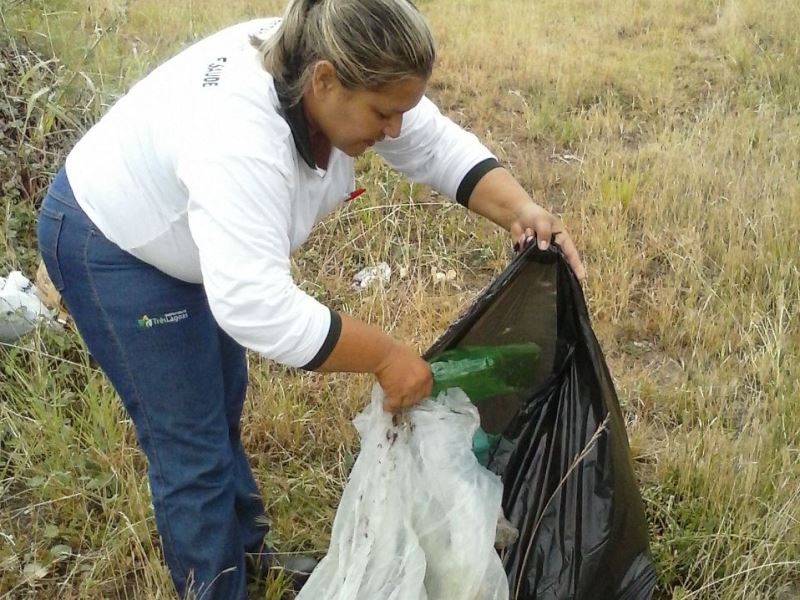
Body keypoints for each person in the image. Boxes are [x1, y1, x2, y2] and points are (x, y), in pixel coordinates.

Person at [36, 0, 585, 598]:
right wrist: (384, 356)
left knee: (219, 403)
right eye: (383, 113)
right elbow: (256, 306)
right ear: (325, 80)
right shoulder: (240, 137)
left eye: (402, 108)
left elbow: (434, 146)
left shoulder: (335, 67)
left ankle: (248, 557)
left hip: (191, 238)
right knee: (189, 445)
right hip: (115, 242)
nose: (394, 128)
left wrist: (522, 209)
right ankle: (217, 587)